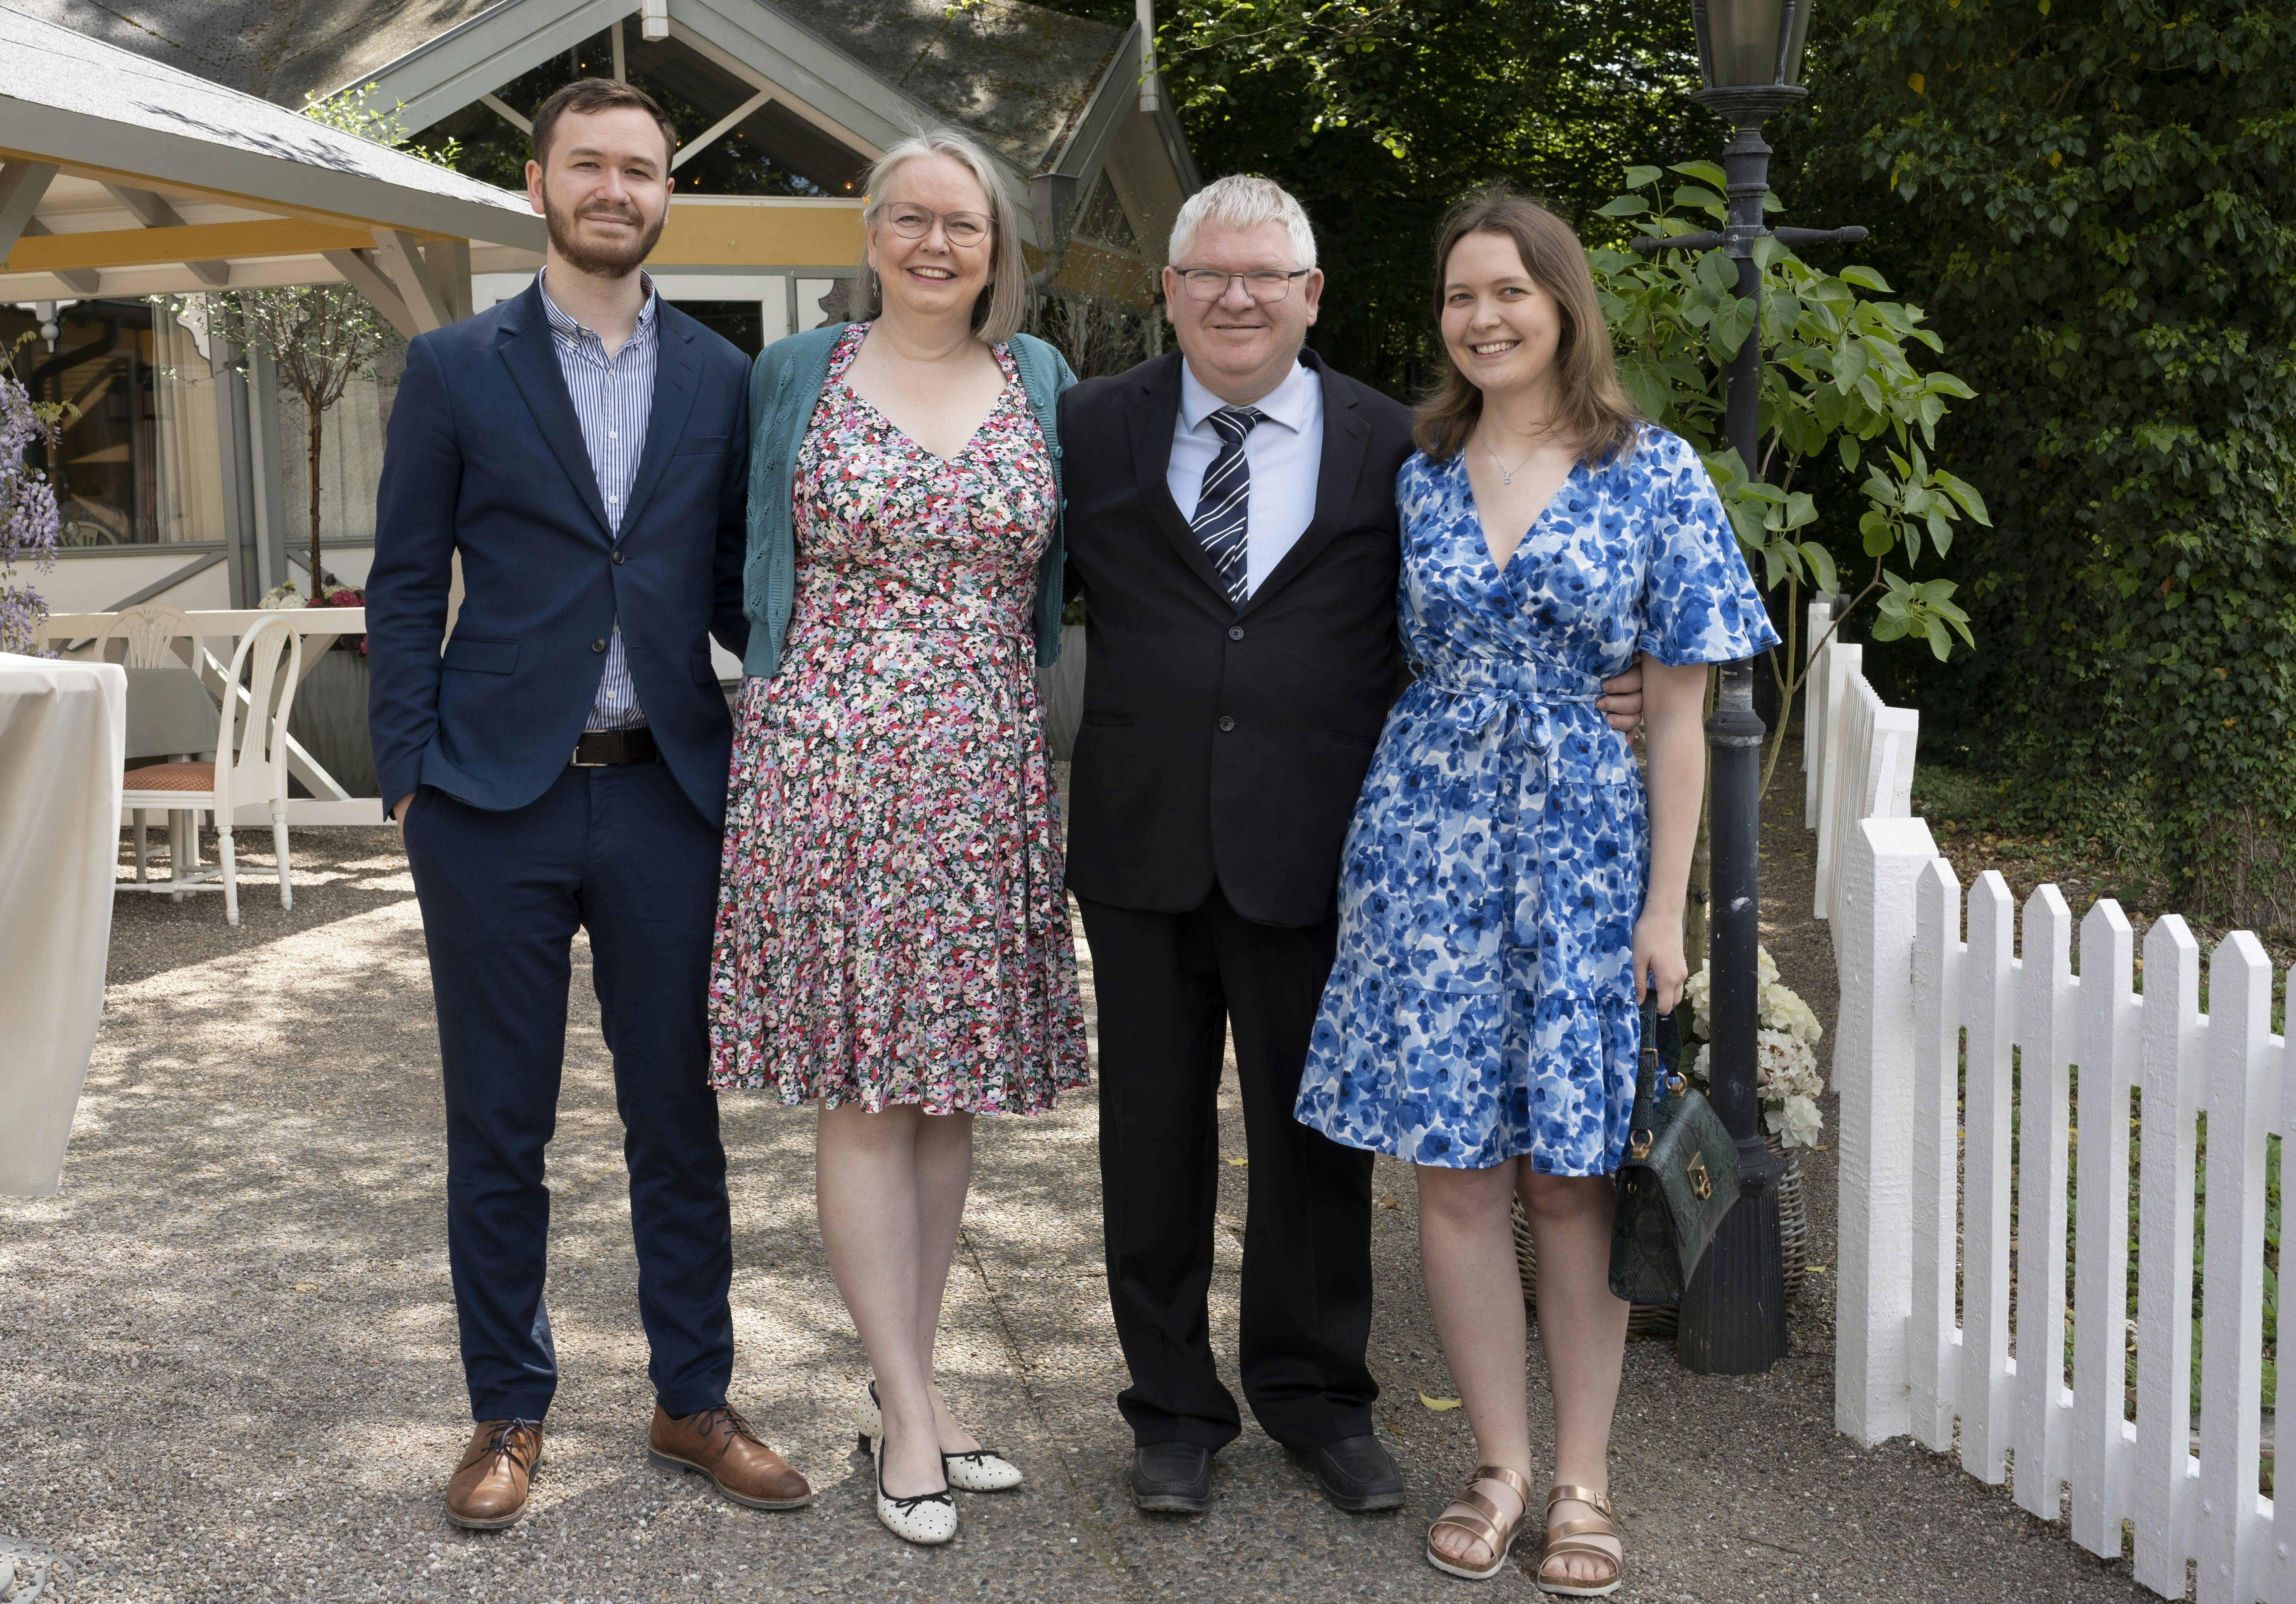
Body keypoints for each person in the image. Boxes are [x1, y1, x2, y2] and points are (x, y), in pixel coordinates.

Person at [1057, 174, 1647, 1517]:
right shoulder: (1087, 424)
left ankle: (1319, 1399)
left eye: (1266, 275)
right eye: (1210, 274)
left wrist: (1611, 680)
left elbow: (1483, 599)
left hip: (1324, 839)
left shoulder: (1400, 442)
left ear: (1312, 294)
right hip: (1140, 835)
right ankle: (1172, 1414)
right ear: (1169, 290)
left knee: (1317, 1141)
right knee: (1149, 1139)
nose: (1238, 298)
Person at [1293, 189, 1778, 1593]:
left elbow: (1679, 715)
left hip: (1582, 857)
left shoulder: (1655, 472)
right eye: (1461, 296)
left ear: (1564, 303)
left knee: (1570, 1183)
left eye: (1509, 290)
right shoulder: (1419, 473)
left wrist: (1665, 911)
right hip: (1426, 849)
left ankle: (1585, 1481)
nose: (1483, 317)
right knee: (1454, 1178)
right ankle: (1501, 1462)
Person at [367, 77, 811, 1532]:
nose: (615, 189)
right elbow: (402, 581)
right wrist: (407, 778)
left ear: (666, 191)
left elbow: (749, 583)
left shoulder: (726, 377)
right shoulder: (455, 367)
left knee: (677, 1120)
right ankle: (507, 1410)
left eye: (641, 168)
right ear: (541, 184)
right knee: (500, 1126)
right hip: (489, 803)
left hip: (670, 796)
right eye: (589, 165)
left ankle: (694, 1399)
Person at [707, 127, 1087, 1548]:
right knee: (866, 1092)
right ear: (871, 236)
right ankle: (915, 1419)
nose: (936, 244)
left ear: (997, 251)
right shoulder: (797, 374)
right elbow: (736, 554)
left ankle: (905, 1390)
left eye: (963, 224)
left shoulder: (1039, 381)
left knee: (946, 1097)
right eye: (911, 219)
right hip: (834, 769)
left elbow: (1075, 572)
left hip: (987, 770)